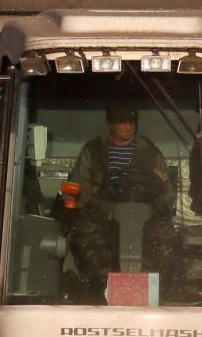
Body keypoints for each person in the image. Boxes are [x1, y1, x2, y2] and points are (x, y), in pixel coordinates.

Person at [59, 103, 179, 292]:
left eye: (131, 122)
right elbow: (80, 184)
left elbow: (166, 188)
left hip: (145, 213)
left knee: (166, 239)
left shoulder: (149, 151)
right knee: (87, 237)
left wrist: (157, 204)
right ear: (110, 124)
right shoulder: (93, 150)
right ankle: (101, 290)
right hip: (103, 212)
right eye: (121, 122)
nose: (128, 126)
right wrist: (93, 201)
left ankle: (156, 290)